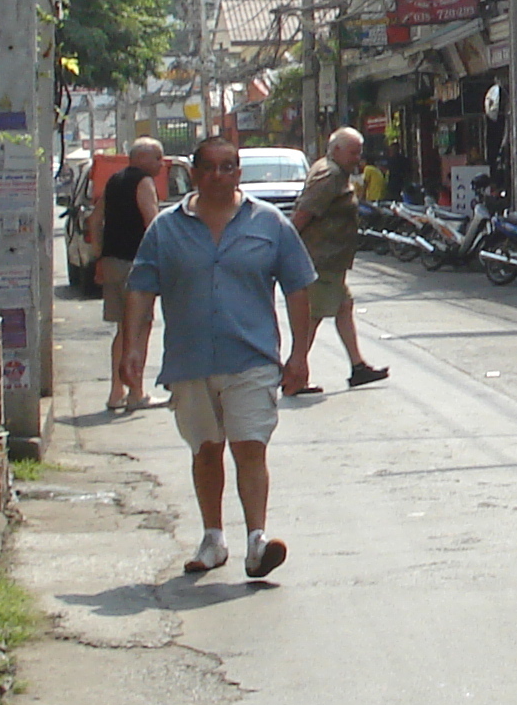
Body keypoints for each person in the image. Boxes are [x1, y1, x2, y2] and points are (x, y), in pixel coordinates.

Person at [122, 134, 319, 580]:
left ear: (238, 173)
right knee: (206, 449)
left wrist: (299, 355)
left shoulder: (269, 224)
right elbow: (140, 288)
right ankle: (213, 537)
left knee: (250, 445)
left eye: (226, 167)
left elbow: (298, 288)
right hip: (190, 360)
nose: (217, 176)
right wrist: (133, 348)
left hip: (250, 357)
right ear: (193, 173)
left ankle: (256, 540)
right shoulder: (166, 229)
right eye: (208, 167)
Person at [290, 127, 391, 392]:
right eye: (353, 152)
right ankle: (294, 375)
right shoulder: (330, 175)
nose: (357, 158)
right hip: (321, 260)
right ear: (335, 151)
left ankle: (358, 367)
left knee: (343, 307)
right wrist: (286, 246)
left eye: (359, 153)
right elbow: (305, 211)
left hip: (331, 260)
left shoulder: (334, 171)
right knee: (311, 319)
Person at [96, 138, 166, 414]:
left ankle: (116, 392)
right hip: (136, 265)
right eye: (158, 158)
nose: (161, 164)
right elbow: (153, 223)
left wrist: (100, 256)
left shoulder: (113, 181)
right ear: (144, 159)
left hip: (112, 261)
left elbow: (94, 219)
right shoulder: (144, 183)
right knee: (139, 327)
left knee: (122, 329)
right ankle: (136, 392)